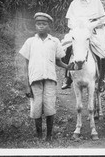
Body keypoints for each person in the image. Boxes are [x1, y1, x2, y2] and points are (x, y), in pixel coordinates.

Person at [19, 12, 71, 141]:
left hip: (50, 80)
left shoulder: (54, 41)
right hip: (35, 80)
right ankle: (39, 135)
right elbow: (25, 64)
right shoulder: (30, 42)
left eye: (44, 24)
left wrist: (68, 66)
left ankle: (48, 136)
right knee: (36, 108)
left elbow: (58, 60)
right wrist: (26, 86)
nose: (41, 26)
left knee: (49, 107)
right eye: (38, 24)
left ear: (49, 26)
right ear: (35, 26)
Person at [61, 0, 105, 92]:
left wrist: (91, 25)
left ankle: (101, 79)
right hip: (78, 30)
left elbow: (102, 20)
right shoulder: (74, 3)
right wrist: (78, 27)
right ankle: (67, 77)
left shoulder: (96, 1)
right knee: (66, 45)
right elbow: (70, 22)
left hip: (94, 31)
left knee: (104, 51)